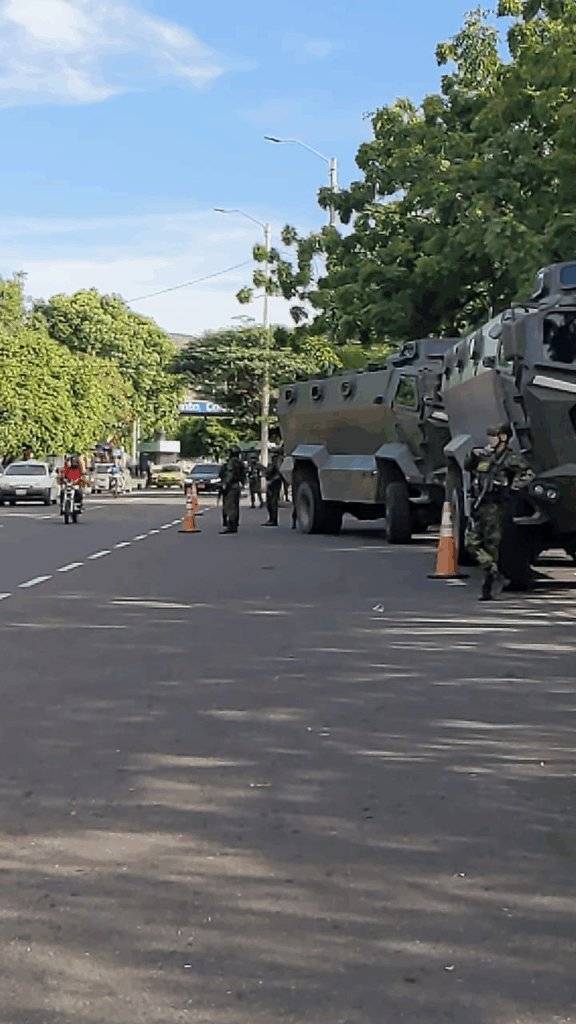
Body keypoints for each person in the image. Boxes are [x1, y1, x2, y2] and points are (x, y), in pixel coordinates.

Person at [465, 424, 531, 601]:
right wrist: (473, 455)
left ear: (503, 437)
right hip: (481, 505)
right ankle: (493, 571)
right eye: (489, 435)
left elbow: (527, 474)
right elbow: (468, 467)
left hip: (497, 507)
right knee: (471, 543)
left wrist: (512, 488)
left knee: (492, 546)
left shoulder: (510, 458)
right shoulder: (486, 456)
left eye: (493, 435)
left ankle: (488, 587)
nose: (490, 439)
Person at [219, 446, 246, 534]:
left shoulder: (232, 462)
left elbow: (230, 474)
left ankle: (231, 525)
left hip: (231, 486)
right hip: (236, 485)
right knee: (235, 506)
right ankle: (234, 524)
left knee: (230, 506)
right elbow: (243, 475)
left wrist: (225, 484)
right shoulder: (240, 462)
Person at [262, 452, 283, 527]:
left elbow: (278, 475)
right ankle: (271, 519)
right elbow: (267, 472)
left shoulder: (277, 464)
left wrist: (271, 481)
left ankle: (274, 520)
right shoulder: (271, 464)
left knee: (273, 502)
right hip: (270, 485)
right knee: (269, 502)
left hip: (275, 485)